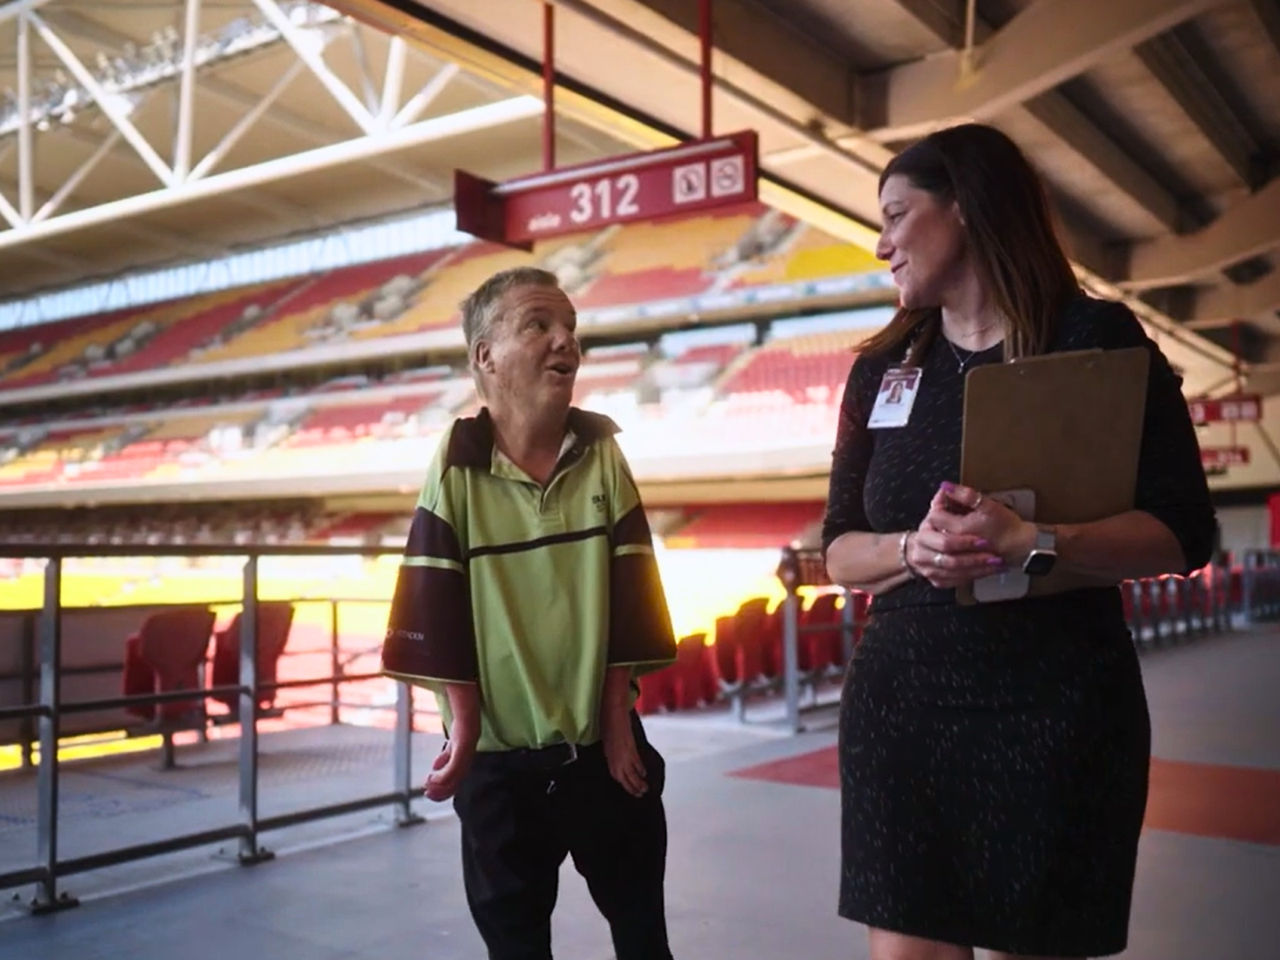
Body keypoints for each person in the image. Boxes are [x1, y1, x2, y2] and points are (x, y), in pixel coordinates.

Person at [822, 123, 1215, 960]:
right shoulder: (880, 373)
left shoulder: (1097, 341)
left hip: (1056, 706)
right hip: (905, 712)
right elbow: (838, 548)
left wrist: (1037, 541)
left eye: (897, 215)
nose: (881, 242)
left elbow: (1183, 530)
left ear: (964, 206)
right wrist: (908, 551)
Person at [381, 266, 678, 960]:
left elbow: (633, 600)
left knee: (645, 943)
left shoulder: (604, 454)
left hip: (604, 754)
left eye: (569, 326)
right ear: (485, 356)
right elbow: (438, 605)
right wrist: (466, 726)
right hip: (497, 771)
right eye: (538, 324)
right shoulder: (454, 467)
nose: (564, 339)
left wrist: (614, 721)